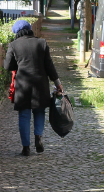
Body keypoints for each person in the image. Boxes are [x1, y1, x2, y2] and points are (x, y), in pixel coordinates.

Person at [4, 19, 63, 156]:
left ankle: (26, 147)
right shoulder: (41, 43)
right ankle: (38, 138)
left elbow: (7, 66)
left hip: (22, 85)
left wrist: (18, 63)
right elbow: (50, 66)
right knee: (39, 111)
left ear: (16, 32)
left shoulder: (13, 45)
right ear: (30, 29)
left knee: (24, 115)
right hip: (40, 84)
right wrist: (57, 83)